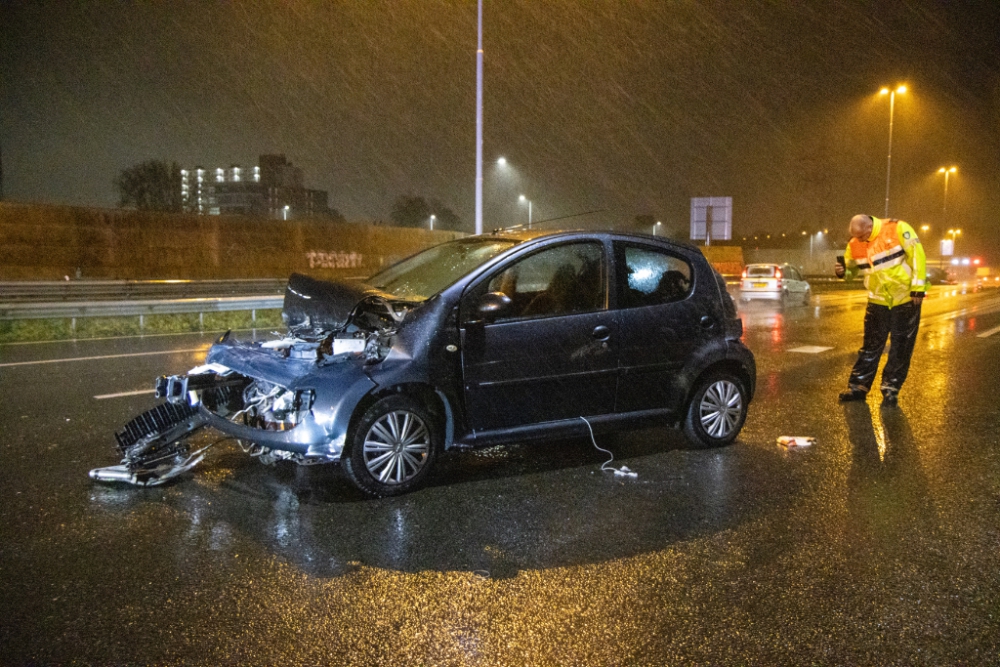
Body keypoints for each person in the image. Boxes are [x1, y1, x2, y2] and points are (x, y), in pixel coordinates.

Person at [835, 214, 926, 406]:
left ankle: (890, 389)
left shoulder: (897, 228)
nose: (857, 239)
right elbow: (852, 272)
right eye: (854, 236)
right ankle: (858, 388)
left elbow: (917, 254)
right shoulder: (854, 244)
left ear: (869, 228)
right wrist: (843, 272)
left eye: (860, 235)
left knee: (901, 347)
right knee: (870, 346)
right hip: (877, 300)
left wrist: (918, 287)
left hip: (905, 298)